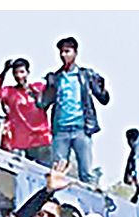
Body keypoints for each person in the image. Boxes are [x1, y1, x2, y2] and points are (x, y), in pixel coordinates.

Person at [37, 36, 110, 185]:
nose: (64, 55)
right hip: (61, 129)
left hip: (81, 128)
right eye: (62, 52)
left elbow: (104, 99)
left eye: (67, 51)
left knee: (86, 173)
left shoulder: (85, 75)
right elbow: (43, 103)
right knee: (57, 172)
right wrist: (41, 92)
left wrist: (102, 87)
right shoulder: (55, 78)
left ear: (75, 53)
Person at [0, 57, 51, 162]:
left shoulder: (37, 89)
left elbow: (53, 93)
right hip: (20, 142)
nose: (19, 76)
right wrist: (4, 71)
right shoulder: (10, 92)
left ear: (28, 73)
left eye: (22, 72)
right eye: (16, 73)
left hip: (41, 139)